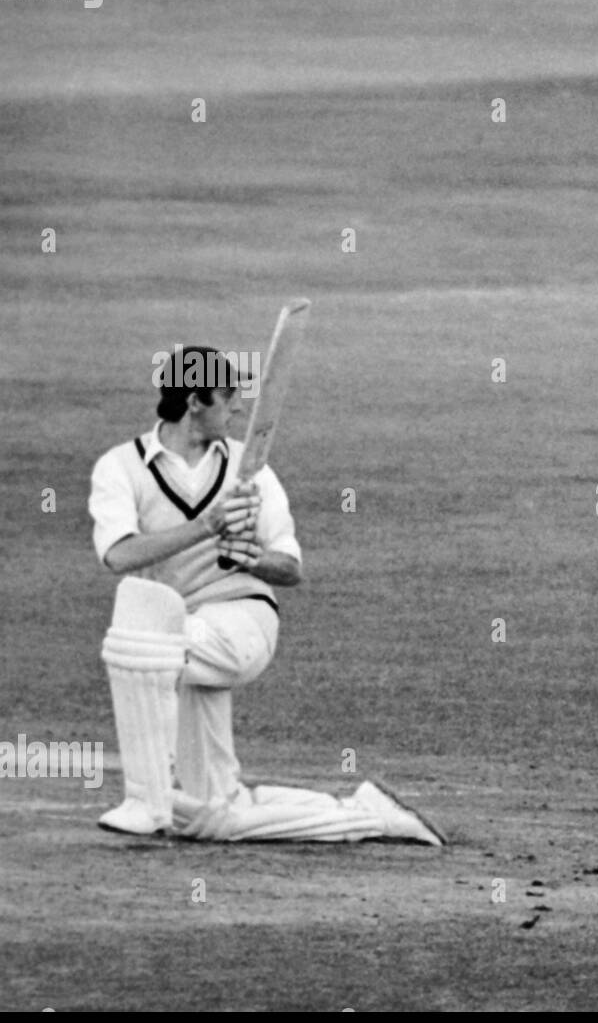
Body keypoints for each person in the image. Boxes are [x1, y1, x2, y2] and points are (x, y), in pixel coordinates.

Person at [88, 344, 445, 843]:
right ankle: (369, 815)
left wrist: (250, 556)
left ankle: (144, 801)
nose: (238, 406)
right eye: (228, 394)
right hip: (184, 638)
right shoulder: (120, 466)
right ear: (195, 399)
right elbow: (119, 557)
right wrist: (206, 527)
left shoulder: (249, 470)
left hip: (242, 623)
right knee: (214, 816)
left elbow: (290, 567)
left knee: (137, 643)